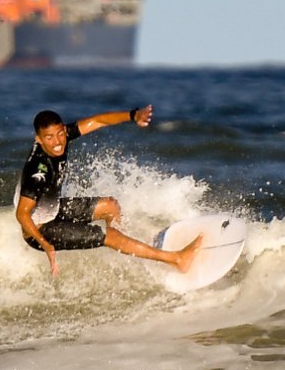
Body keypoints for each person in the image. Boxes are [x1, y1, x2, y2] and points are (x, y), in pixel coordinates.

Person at [14, 105, 202, 276]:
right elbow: (22, 214)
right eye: (49, 137)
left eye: (60, 133)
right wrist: (46, 245)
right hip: (39, 231)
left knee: (110, 206)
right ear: (39, 139)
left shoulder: (61, 136)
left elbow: (98, 120)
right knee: (109, 236)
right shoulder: (38, 172)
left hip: (52, 210)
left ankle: (126, 251)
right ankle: (177, 260)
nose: (57, 142)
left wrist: (133, 115)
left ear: (63, 129)